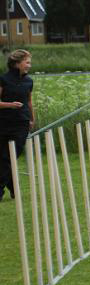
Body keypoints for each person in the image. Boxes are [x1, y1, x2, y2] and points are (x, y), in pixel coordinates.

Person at [0, 49, 35, 201]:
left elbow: (29, 102)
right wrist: (10, 105)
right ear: (17, 63)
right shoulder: (3, 80)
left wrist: (32, 119)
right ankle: (14, 190)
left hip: (21, 123)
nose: (29, 65)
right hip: (3, 123)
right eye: (27, 62)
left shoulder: (29, 81)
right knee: (4, 158)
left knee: (8, 158)